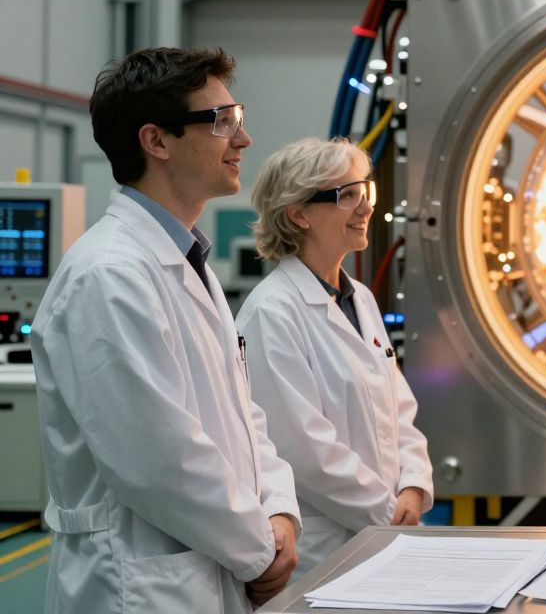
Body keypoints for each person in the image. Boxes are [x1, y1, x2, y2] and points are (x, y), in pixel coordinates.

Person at [31, 48, 301, 613]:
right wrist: (258, 550)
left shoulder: (183, 262)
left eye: (239, 118)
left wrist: (278, 510)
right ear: (157, 141)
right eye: (222, 122)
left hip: (206, 566)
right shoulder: (109, 275)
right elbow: (157, 459)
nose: (243, 140)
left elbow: (242, 416)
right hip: (140, 586)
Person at [237, 138, 434, 576]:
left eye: (365, 191)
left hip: (385, 533)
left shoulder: (358, 298)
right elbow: (302, 448)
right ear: (299, 213)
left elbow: (399, 408)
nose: (365, 207)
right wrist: (387, 511)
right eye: (347, 196)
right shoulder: (272, 311)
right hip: (327, 546)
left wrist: (414, 484)